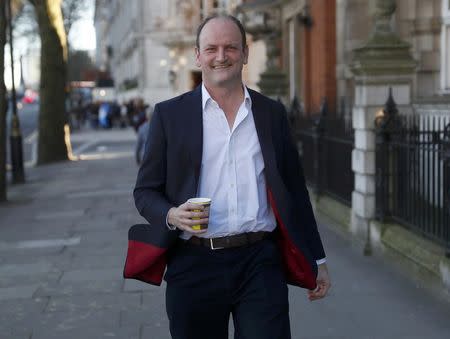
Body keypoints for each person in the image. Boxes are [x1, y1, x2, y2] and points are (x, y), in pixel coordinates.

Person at [133, 14, 330, 339]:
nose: (221, 56)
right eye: (211, 48)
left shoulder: (271, 113)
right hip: (193, 262)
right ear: (198, 55)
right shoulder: (170, 115)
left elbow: (295, 191)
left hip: (260, 261)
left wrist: (317, 258)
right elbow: (144, 192)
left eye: (230, 48)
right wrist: (171, 215)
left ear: (245, 53)